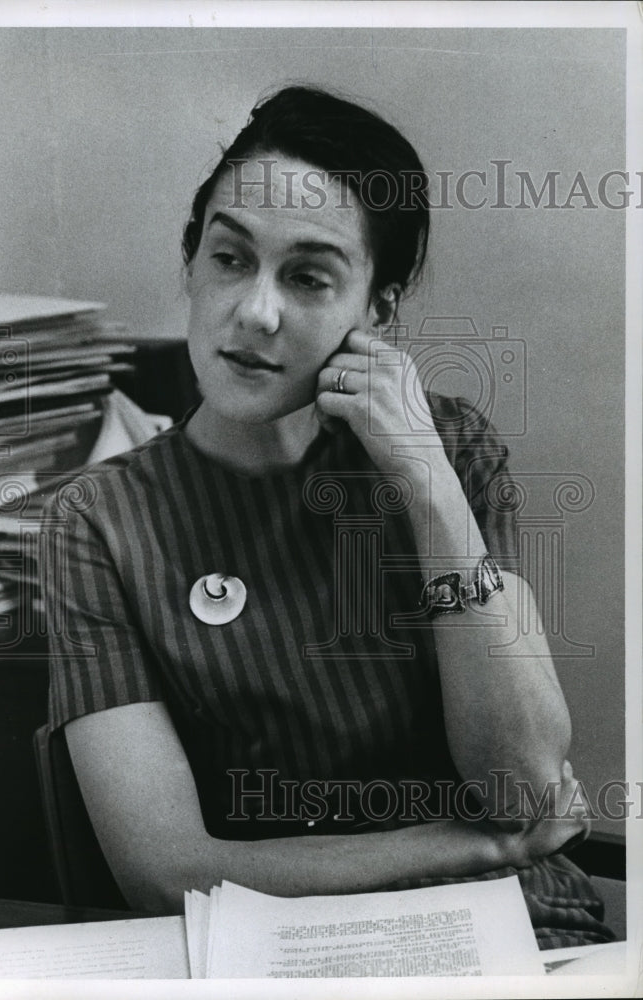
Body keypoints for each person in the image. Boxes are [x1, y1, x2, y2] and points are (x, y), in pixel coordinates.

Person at [42, 86, 614, 948]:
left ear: (376, 309)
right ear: (190, 259)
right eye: (230, 258)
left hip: (520, 935)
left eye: (309, 277)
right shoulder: (100, 520)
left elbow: (525, 788)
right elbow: (162, 873)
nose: (255, 311)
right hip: (278, 949)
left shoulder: (452, 450)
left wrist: (423, 483)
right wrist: (473, 845)